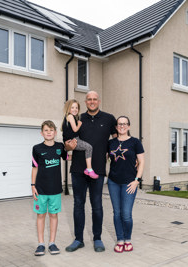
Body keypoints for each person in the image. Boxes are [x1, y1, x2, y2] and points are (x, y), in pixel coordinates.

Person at [64, 91, 117, 253]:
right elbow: (67, 143)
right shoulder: (77, 118)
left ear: (98, 101)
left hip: (98, 169)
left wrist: (122, 154)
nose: (92, 102)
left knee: (97, 205)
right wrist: (69, 147)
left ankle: (97, 238)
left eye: (95, 99)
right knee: (78, 204)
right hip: (79, 169)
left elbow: (116, 140)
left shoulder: (109, 118)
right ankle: (78, 239)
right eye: (89, 99)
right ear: (85, 102)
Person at [107, 116, 144, 253]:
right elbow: (102, 158)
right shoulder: (110, 143)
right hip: (113, 182)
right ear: (116, 127)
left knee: (126, 214)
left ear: (128, 126)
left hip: (130, 183)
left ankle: (127, 239)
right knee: (117, 213)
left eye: (124, 124)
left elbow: (141, 162)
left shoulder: (135, 142)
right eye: (119, 124)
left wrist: (136, 180)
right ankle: (120, 240)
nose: (122, 126)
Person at [31, 120, 68, 256]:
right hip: (40, 189)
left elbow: (68, 157)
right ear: (42, 133)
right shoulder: (37, 148)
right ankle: (41, 244)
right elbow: (34, 168)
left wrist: (71, 146)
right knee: (41, 215)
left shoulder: (60, 146)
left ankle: (52, 243)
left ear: (55, 132)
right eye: (46, 130)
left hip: (55, 189)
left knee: (53, 215)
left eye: (51, 130)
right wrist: (33, 186)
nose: (48, 132)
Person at [61, 99, 98, 179]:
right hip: (73, 140)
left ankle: (88, 169)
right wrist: (79, 124)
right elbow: (75, 129)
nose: (75, 110)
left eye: (76, 108)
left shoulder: (70, 117)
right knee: (89, 147)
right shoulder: (70, 116)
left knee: (87, 148)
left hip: (72, 139)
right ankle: (89, 169)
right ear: (68, 108)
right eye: (72, 107)